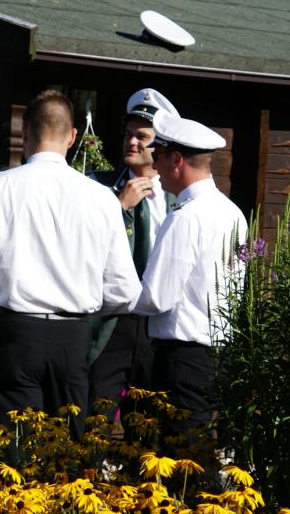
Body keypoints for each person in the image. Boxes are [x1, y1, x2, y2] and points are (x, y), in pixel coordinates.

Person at [0, 90, 142, 439]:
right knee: (63, 457)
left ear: (24, 131)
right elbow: (125, 290)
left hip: (13, 333)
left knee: (11, 454)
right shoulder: (102, 198)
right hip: (71, 338)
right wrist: (82, 313)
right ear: (72, 136)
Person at [135, 110, 247, 434]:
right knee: (196, 447)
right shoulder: (231, 211)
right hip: (215, 353)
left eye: (158, 156)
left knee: (182, 453)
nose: (154, 166)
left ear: (176, 160)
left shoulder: (185, 216)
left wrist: (111, 296)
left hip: (183, 356)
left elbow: (157, 297)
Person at [87, 88, 179, 412]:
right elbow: (81, 243)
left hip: (157, 323)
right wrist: (119, 206)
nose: (132, 142)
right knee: (95, 417)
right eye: (128, 134)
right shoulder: (97, 185)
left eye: (142, 137)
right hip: (110, 320)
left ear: (161, 144)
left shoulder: (177, 198)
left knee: (148, 423)